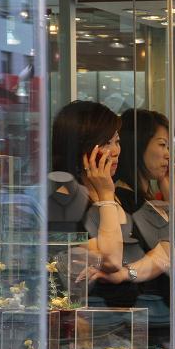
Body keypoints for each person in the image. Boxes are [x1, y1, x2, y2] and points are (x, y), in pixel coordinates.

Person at [83, 109, 175, 307]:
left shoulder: (146, 201)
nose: (168, 155)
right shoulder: (122, 201)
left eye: (170, 146)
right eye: (162, 145)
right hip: (148, 315)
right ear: (138, 145)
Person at [52, 100, 143, 307]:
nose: (116, 151)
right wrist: (105, 194)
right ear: (81, 148)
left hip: (132, 319)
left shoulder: (124, 197)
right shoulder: (64, 204)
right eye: (106, 143)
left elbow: (165, 252)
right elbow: (111, 260)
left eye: (117, 141)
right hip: (92, 319)